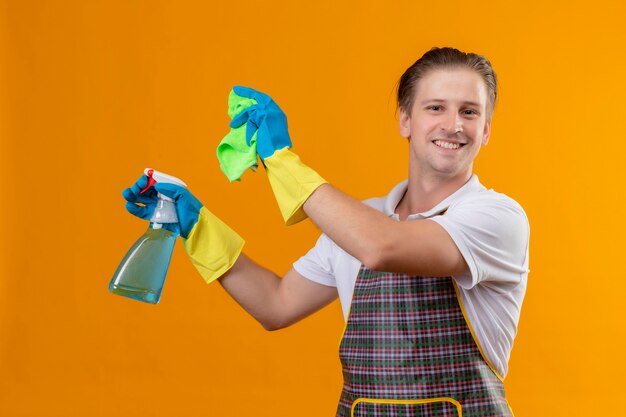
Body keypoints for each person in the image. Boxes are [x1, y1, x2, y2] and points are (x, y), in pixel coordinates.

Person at [124, 47, 529, 416]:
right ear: (406, 120)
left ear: (487, 129)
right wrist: (196, 226)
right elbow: (276, 304)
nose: (453, 124)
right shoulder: (360, 220)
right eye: (436, 107)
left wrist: (282, 163)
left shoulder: (496, 218)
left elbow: (382, 247)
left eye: (470, 112)